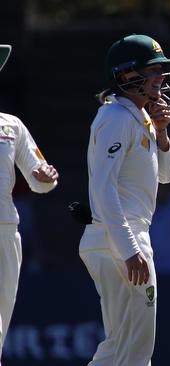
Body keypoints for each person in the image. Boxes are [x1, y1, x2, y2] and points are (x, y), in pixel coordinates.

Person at [78, 34, 170, 365]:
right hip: (120, 236)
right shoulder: (116, 118)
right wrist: (129, 249)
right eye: (152, 71)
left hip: (121, 235)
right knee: (135, 348)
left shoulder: (140, 117)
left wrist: (162, 134)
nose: (160, 78)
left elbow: (166, 175)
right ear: (125, 76)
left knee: (122, 344)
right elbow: (103, 188)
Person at [0, 44, 59, 359]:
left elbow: (38, 179)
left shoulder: (11, 125)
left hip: (7, 230)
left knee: (0, 327)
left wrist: (45, 178)